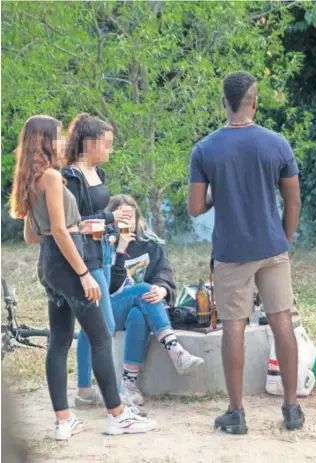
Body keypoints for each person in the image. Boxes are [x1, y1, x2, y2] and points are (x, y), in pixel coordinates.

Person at [9, 115, 154, 439]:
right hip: (69, 266)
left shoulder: (31, 179)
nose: (63, 143)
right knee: (101, 337)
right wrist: (85, 273)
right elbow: (60, 230)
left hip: (49, 266)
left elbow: (34, 236)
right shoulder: (50, 177)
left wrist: (76, 227)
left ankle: (63, 421)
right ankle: (117, 415)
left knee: (59, 342)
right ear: (45, 141)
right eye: (58, 137)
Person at [188, 71, 304, 433]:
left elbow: (195, 207)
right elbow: (293, 199)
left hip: (231, 251)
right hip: (272, 247)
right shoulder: (277, 143)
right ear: (253, 101)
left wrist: (214, 193)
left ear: (225, 102)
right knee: (281, 322)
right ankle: (292, 408)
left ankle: (236, 413)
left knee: (233, 328)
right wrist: (282, 239)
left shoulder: (205, 149)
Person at [106, 195, 204, 406]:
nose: (126, 222)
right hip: (112, 311)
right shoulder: (105, 245)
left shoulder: (149, 246)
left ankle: (129, 384)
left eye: (130, 217)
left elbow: (164, 274)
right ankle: (175, 350)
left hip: (141, 309)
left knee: (138, 314)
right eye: (121, 217)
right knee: (142, 289)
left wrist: (161, 289)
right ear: (111, 219)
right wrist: (120, 249)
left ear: (138, 220)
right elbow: (110, 287)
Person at [62, 113, 131, 408]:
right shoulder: (71, 177)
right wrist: (110, 217)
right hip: (85, 256)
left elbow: (97, 220)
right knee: (105, 323)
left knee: (93, 324)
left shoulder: (98, 174)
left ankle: (85, 389)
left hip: (102, 249)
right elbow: (74, 221)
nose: (110, 150)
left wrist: (114, 228)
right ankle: (113, 393)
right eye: (107, 144)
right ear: (89, 143)